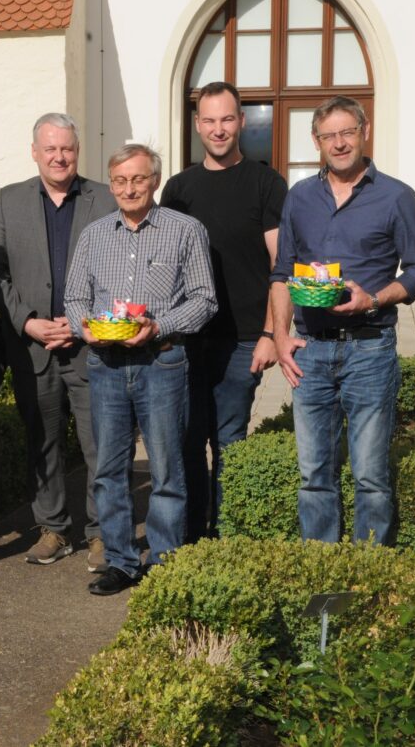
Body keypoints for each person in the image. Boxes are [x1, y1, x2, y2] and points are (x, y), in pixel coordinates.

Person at [270, 96, 415, 546]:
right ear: (316, 141)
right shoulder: (300, 197)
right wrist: (281, 337)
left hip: (370, 347)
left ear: (364, 131)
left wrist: (373, 299)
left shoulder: (397, 196)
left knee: (370, 475)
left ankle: (368, 573)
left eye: (347, 132)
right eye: (329, 135)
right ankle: (321, 570)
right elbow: (282, 274)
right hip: (312, 348)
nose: (339, 143)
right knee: (314, 475)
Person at [65, 144, 217, 596]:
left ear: (154, 180)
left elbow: (204, 299)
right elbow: (75, 298)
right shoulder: (94, 235)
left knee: (168, 468)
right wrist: (84, 329)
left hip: (162, 361)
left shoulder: (185, 230)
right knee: (110, 470)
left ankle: (167, 561)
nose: (129, 188)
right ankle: (121, 561)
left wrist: (157, 327)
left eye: (138, 179)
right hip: (107, 364)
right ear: (111, 184)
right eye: (119, 180)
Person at [0, 112, 118, 572]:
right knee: (42, 443)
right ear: (35, 152)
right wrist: (27, 323)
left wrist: (83, 324)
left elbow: (120, 270)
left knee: (99, 442)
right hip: (34, 346)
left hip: (90, 346)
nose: (60, 157)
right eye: (51, 149)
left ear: (77, 152)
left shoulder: (103, 199)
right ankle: (54, 529)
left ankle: (102, 533)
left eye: (68, 149)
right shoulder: (9, 200)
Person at [160, 82, 287, 541]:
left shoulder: (265, 182)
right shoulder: (178, 188)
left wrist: (274, 333)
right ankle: (193, 538)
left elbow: (282, 264)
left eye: (227, 119)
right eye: (209, 121)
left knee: (229, 437)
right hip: (187, 338)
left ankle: (228, 536)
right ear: (197, 126)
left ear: (242, 122)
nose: (218, 129)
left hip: (244, 337)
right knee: (189, 440)